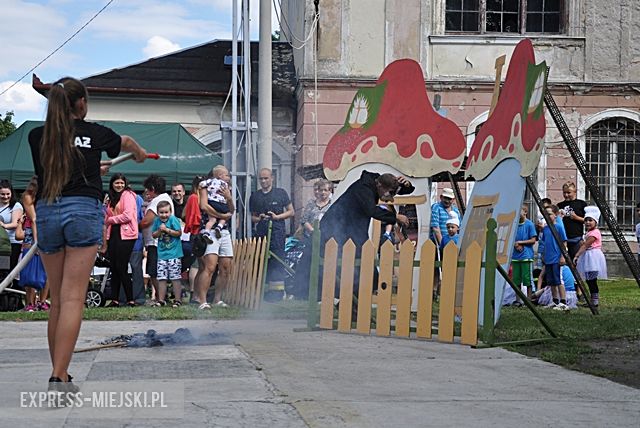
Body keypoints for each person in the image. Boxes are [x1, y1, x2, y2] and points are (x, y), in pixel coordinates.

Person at [27, 77, 146, 400]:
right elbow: (128, 142)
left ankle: (62, 375)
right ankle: (56, 377)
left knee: (57, 303)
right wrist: (138, 154)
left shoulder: (37, 136)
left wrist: (95, 167)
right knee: (72, 298)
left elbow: (60, 164)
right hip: (82, 211)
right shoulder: (95, 133)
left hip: (49, 211)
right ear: (81, 104)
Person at [319, 171, 412, 299]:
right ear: (379, 185)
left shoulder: (378, 183)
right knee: (350, 267)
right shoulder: (363, 189)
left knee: (364, 264)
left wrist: (407, 185)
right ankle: (347, 299)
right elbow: (371, 210)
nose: (390, 197)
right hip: (337, 228)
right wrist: (395, 217)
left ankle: (356, 299)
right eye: (390, 193)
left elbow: (394, 189)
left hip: (353, 229)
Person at [250, 168, 294, 299]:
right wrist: (260, 218)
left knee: (277, 260)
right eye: (261, 179)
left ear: (272, 178)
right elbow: (252, 217)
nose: (263, 181)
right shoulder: (255, 196)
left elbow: (291, 212)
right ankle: (263, 290)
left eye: (266, 178)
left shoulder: (280, 193)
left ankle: (278, 292)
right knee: (261, 260)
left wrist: (277, 216)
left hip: (278, 231)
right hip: (261, 231)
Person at [194, 166, 235, 309]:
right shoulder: (206, 186)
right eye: (226, 174)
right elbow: (204, 206)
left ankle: (218, 299)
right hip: (209, 230)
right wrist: (221, 216)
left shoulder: (226, 188)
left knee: (225, 267)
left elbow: (232, 210)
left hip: (224, 231)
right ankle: (202, 301)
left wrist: (229, 198)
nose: (228, 177)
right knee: (209, 267)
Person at [290, 179, 334, 300]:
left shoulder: (332, 205)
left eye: (326, 190)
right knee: (306, 265)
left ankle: (323, 294)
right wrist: (314, 232)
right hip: (311, 238)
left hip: (326, 240)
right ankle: (302, 293)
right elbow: (304, 220)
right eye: (321, 190)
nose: (323, 193)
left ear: (330, 191)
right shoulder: (311, 204)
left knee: (325, 267)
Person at [103, 173, 139, 307]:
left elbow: (128, 215)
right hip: (114, 233)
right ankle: (115, 299)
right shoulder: (111, 198)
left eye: (121, 183)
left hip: (126, 234)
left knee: (121, 266)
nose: (119, 185)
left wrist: (110, 220)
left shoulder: (128, 195)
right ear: (112, 184)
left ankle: (130, 299)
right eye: (117, 183)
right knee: (113, 267)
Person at [139, 175, 174, 303]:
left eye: (148, 189)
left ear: (152, 188)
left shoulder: (158, 201)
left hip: (156, 242)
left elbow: (146, 221)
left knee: (154, 271)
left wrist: (135, 226)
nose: (147, 192)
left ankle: (161, 298)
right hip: (159, 241)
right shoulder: (165, 198)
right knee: (157, 271)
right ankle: (162, 297)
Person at [151, 201, 183, 306]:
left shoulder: (173, 219)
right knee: (161, 278)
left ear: (170, 212)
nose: (164, 215)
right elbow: (154, 235)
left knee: (175, 278)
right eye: (161, 212)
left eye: (166, 212)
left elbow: (178, 233)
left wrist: (167, 230)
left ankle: (178, 300)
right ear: (157, 213)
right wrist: (160, 231)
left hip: (174, 254)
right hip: (162, 254)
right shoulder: (156, 221)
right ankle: (161, 300)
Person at [574, 206, 607, 308]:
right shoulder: (588, 232)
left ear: (596, 222)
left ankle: (595, 301)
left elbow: (586, 245)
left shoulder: (595, 233)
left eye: (590, 220)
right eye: (586, 220)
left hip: (593, 257)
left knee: (592, 280)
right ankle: (593, 299)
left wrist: (577, 255)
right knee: (589, 280)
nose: (588, 222)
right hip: (588, 256)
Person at [540, 204, 570, 311]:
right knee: (551, 281)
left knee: (558, 280)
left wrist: (562, 256)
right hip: (548, 258)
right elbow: (544, 242)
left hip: (557, 258)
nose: (547, 216)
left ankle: (563, 301)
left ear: (556, 214)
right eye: (546, 214)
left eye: (550, 214)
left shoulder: (559, 227)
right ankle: (554, 300)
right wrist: (543, 255)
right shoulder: (546, 229)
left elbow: (564, 242)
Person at [0, 180, 24, 285]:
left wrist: (3, 225)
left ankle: (11, 297)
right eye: (2, 194)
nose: (5, 197)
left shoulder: (16, 205)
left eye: (7, 194)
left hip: (11, 245)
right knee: (1, 272)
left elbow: (15, 224)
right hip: (1, 245)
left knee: (8, 272)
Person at [511, 204, 537, 301]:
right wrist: (515, 244)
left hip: (526, 256)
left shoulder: (529, 224)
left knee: (527, 278)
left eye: (520, 211)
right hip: (515, 256)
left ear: (525, 212)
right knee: (516, 279)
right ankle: (518, 300)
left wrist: (521, 243)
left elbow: (533, 240)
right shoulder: (514, 225)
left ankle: (528, 299)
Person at [199, 166, 231, 241]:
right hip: (221, 203)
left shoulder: (211, 181)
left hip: (212, 202)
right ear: (220, 175)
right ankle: (219, 226)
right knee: (225, 215)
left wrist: (200, 185)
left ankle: (207, 232)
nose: (228, 178)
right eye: (227, 175)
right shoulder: (225, 184)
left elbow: (203, 183)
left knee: (212, 220)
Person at [557, 182, 587, 260]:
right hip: (563, 239)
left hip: (576, 239)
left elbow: (588, 221)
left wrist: (577, 218)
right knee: (564, 263)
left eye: (569, 192)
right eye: (564, 192)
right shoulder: (559, 205)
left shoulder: (581, 204)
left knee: (576, 262)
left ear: (575, 192)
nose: (566, 195)